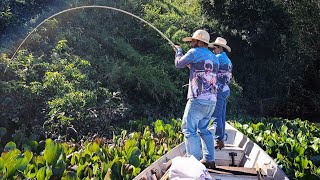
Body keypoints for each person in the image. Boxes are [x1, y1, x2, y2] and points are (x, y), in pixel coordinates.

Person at [174, 29, 219, 168]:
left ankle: (194, 164)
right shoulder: (214, 58)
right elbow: (200, 70)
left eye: (193, 40)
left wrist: (178, 52)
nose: (191, 43)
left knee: (188, 129)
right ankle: (209, 160)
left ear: (199, 41)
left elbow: (178, 64)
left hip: (197, 98)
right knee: (204, 129)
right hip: (212, 100)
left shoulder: (194, 53)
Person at [209, 37, 232, 149]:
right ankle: (221, 138)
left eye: (214, 48)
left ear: (219, 48)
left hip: (219, 91)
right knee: (222, 116)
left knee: (216, 116)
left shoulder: (217, 58)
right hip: (226, 90)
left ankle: (219, 140)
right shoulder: (227, 59)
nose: (213, 50)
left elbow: (208, 70)